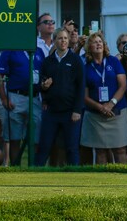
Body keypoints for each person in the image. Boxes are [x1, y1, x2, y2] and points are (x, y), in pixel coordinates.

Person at [36, 27, 85, 166]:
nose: (63, 41)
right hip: (51, 112)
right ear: (54, 41)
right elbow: (41, 84)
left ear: (68, 40)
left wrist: (77, 110)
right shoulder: (48, 61)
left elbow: (81, 86)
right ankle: (35, 176)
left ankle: (75, 179)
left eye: (65, 38)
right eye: (60, 38)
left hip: (70, 112)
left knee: (71, 148)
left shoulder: (75, 60)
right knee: (44, 146)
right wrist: (44, 90)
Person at [81, 32, 127, 165]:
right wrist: (101, 107)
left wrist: (111, 104)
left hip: (117, 111)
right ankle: (102, 181)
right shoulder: (85, 67)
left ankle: (124, 181)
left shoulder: (113, 61)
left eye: (100, 41)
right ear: (89, 47)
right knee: (100, 150)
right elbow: (84, 96)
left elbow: (123, 85)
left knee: (120, 149)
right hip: (96, 114)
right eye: (94, 42)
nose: (98, 44)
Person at [0, 46, 45, 166]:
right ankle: (16, 168)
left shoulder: (38, 51)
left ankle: (33, 167)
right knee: (14, 137)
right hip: (16, 96)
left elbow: (44, 74)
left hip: (35, 97)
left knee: (36, 137)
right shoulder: (10, 50)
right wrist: (3, 98)